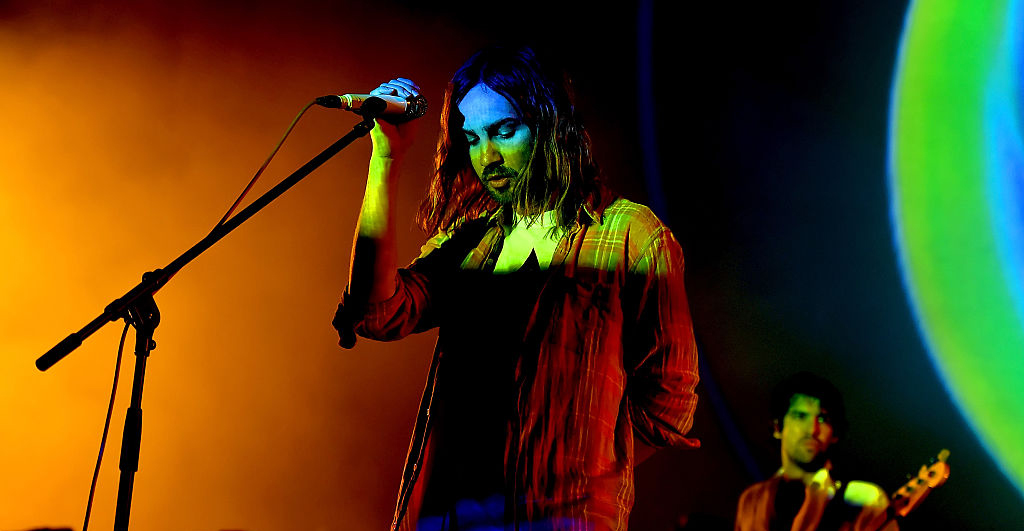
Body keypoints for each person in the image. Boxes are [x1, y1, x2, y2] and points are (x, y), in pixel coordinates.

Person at [333, 45, 699, 531]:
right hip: (448, 514)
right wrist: (386, 160)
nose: (488, 156)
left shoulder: (632, 236)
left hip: (565, 517)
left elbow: (671, 400)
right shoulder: (471, 240)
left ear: (549, 127)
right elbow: (379, 311)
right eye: (472, 138)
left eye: (505, 131)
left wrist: (582, 456)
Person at [734, 372, 896, 531]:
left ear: (835, 434)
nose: (812, 430)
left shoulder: (865, 499)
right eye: (800, 416)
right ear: (777, 427)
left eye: (822, 419)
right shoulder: (752, 500)